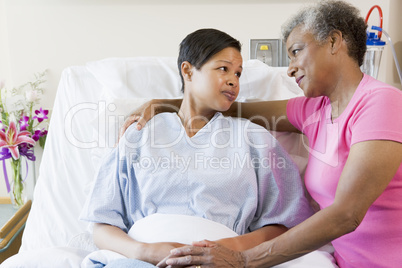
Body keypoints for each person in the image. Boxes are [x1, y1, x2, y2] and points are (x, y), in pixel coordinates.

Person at [122, 1, 402, 267]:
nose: (290, 68)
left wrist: (244, 260)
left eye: (296, 51)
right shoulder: (313, 110)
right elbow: (234, 108)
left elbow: (347, 214)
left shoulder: (381, 102)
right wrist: (163, 104)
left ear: (333, 42)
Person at [80, 28, 314, 267]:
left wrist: (229, 249)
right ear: (188, 70)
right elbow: (101, 225)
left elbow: (284, 224)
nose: (233, 80)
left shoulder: (254, 138)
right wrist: (145, 252)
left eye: (238, 73)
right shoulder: (140, 134)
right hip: (142, 259)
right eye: (223, 69)